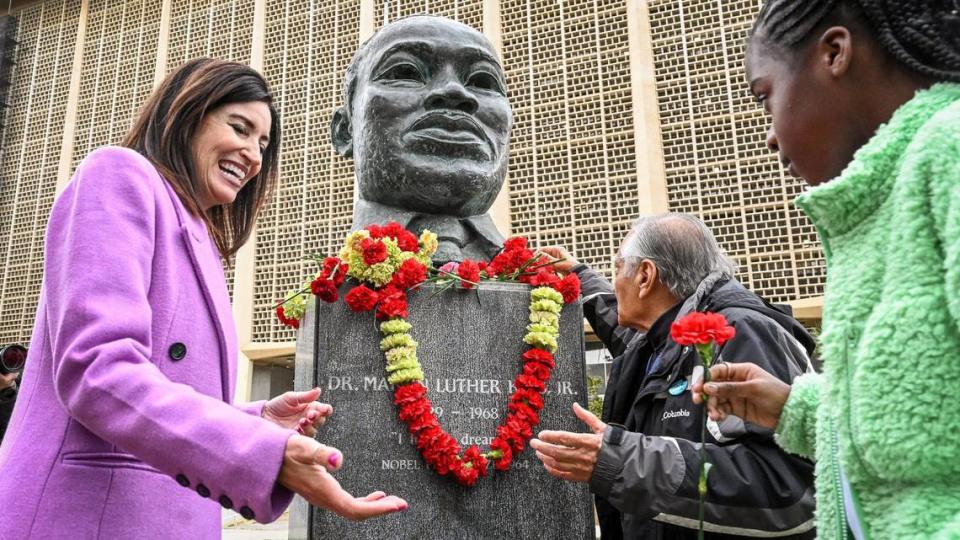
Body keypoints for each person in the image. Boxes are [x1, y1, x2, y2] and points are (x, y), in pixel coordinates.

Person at [0, 59, 406, 540]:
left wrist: (255, 420)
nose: (254, 154)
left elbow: (165, 393)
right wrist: (260, 452)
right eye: (240, 128)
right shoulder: (119, 175)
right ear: (186, 114)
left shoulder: (201, 239)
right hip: (85, 516)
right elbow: (97, 370)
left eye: (263, 144)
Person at [693, 1, 960, 539]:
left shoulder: (948, 152)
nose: (769, 136)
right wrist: (800, 407)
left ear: (834, 54)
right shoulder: (871, 210)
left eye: (766, 98)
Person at [532, 213, 817, 539]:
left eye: (616, 269)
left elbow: (788, 490)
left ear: (645, 276)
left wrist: (626, 462)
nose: (614, 282)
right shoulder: (661, 342)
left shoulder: (739, 333)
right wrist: (580, 276)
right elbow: (627, 330)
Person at [331, 15, 511, 263]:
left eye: (482, 80)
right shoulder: (328, 290)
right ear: (344, 131)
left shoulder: (549, 284)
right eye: (407, 72)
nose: (454, 91)